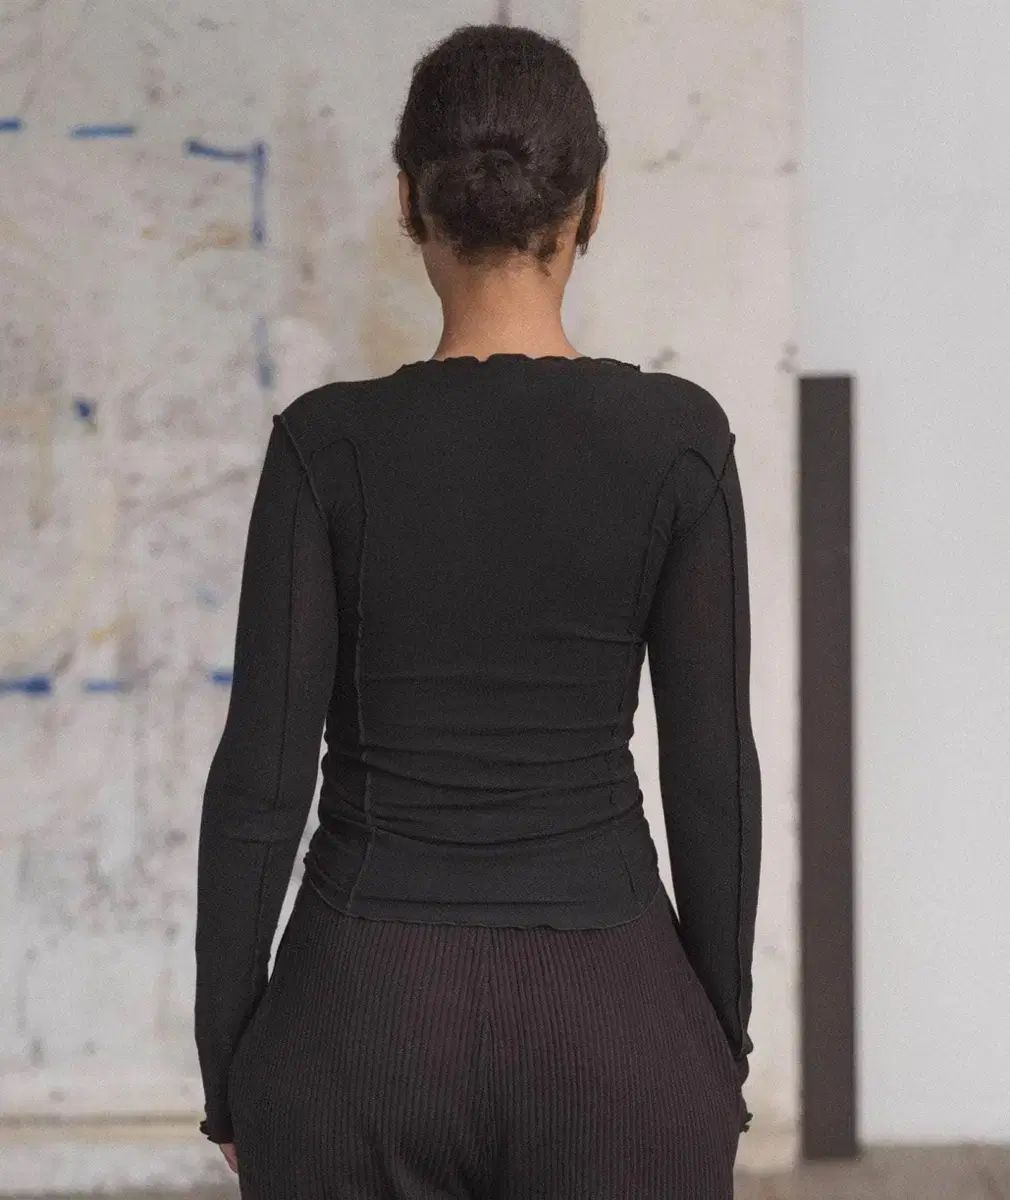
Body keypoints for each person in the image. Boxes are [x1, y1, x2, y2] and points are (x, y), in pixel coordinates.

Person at [193, 21, 761, 1200]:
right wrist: (713, 1048)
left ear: (407, 201)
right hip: (615, 1023)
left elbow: (260, 780)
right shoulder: (678, 441)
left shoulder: (324, 445)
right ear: (590, 205)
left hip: (356, 1023)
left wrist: (229, 1068)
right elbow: (713, 775)